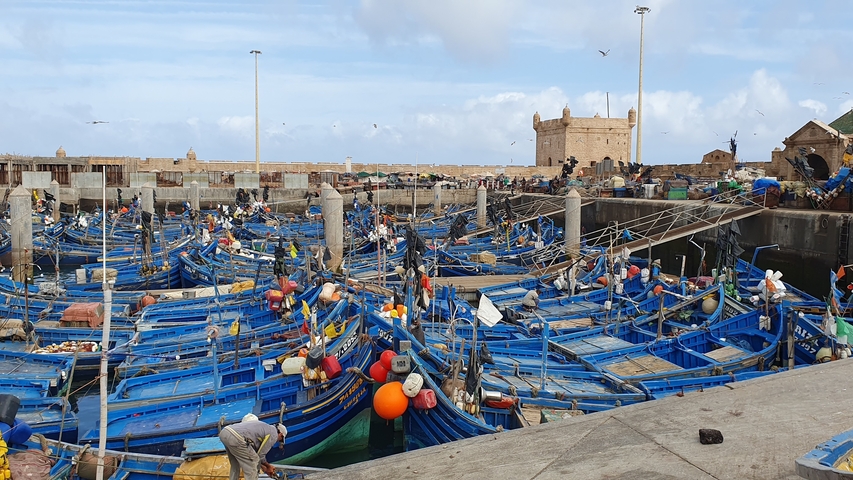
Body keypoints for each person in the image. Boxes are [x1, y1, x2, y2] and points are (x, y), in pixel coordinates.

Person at [218, 420, 287, 480]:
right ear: (280, 434)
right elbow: (260, 456)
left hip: (225, 432)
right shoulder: (273, 434)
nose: (277, 441)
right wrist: (269, 466)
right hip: (236, 437)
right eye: (280, 440)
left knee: (235, 464)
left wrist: (264, 468)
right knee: (253, 464)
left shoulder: (264, 427)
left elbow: (254, 454)